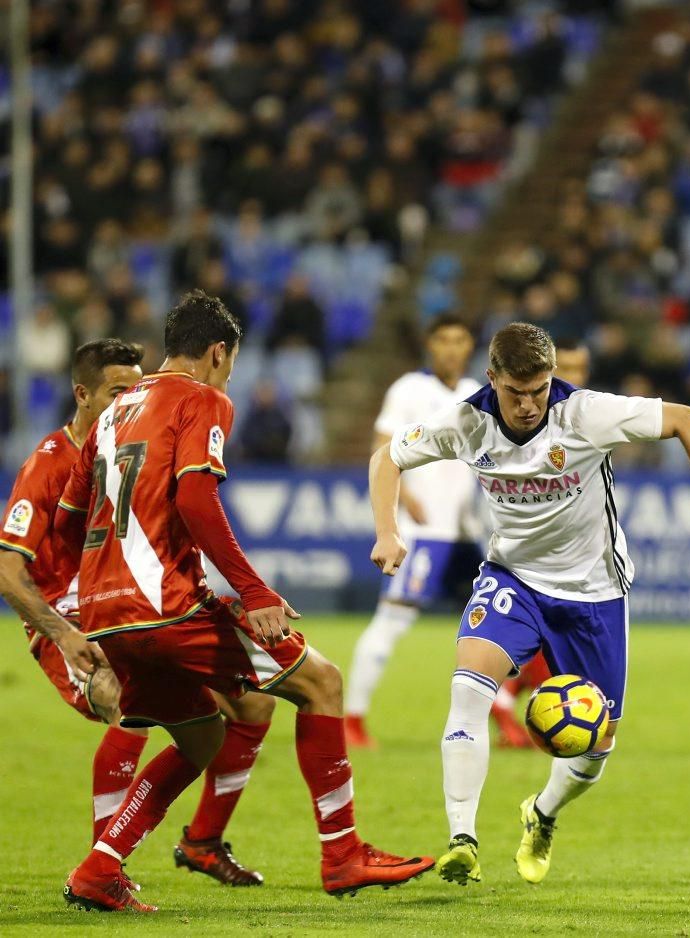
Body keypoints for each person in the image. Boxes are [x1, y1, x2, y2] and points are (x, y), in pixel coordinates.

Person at [57, 291, 433, 912]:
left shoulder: (111, 411)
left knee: (202, 736)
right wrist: (254, 591)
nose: (228, 373)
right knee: (321, 683)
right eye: (229, 362)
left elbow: (71, 515)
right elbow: (195, 500)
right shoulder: (203, 398)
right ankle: (342, 854)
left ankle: (101, 868)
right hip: (165, 606)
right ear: (217, 352)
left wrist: (101, 584)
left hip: (104, 611)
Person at [369, 322, 690, 887]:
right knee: (466, 688)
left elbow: (688, 419)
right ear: (492, 380)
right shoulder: (466, 422)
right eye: (516, 393)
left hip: (594, 592)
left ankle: (543, 813)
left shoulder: (585, 414)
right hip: (513, 580)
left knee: (596, 747)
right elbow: (387, 458)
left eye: (539, 390)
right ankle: (463, 838)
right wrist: (388, 531)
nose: (530, 404)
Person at [0, 339, 272, 887]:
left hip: (133, 603)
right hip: (70, 622)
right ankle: (107, 866)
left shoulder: (131, 451)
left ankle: (202, 842)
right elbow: (8, 570)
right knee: (121, 697)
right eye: (119, 392)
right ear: (82, 394)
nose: (135, 401)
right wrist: (62, 634)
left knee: (256, 705)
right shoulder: (50, 463)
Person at [344, 314, 482, 748]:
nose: (451, 348)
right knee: (393, 621)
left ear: (469, 345)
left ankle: (504, 718)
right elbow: (382, 450)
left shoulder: (475, 392)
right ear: (429, 344)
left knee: (500, 622)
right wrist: (405, 501)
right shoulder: (408, 390)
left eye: (459, 339)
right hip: (423, 531)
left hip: (467, 532)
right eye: (443, 339)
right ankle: (351, 718)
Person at [490, 336, 593, 747]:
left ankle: (509, 703)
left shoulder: (588, 416)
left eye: (581, 368)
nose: (575, 377)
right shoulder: (513, 417)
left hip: (572, 557)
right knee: (536, 637)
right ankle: (504, 705)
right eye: (567, 367)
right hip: (523, 550)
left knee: (551, 647)